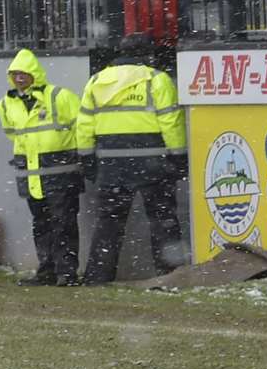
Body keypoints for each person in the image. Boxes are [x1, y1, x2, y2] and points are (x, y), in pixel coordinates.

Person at [77, 36, 186, 285]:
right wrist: (179, 156)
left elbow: (84, 125)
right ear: (147, 56)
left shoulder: (96, 81)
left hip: (111, 167)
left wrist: (87, 159)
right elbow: (170, 121)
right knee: (162, 220)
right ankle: (170, 276)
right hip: (153, 165)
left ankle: (98, 277)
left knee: (108, 223)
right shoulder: (157, 79)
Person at [0, 49, 86, 287]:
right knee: (42, 223)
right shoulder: (6, 103)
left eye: (24, 73)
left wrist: (80, 157)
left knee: (63, 222)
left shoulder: (60, 96)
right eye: (15, 74)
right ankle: (47, 271)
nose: (19, 78)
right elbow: (13, 135)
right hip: (32, 173)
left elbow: (83, 127)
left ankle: (66, 273)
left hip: (59, 172)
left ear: (35, 74)